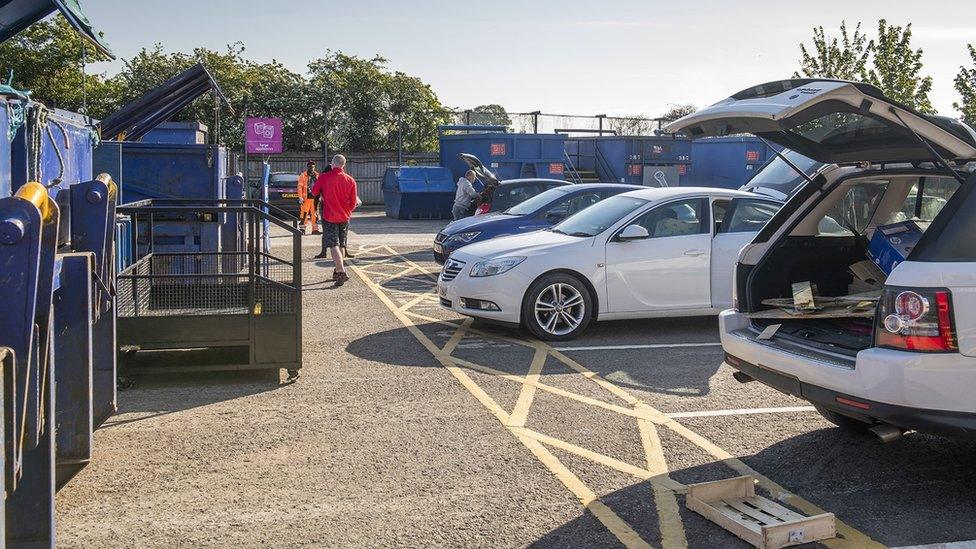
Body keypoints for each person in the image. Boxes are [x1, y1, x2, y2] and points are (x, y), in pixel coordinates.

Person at [311, 154, 359, 286]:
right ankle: (337, 272)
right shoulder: (350, 180)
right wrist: (347, 210)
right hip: (344, 216)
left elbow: (314, 192)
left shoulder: (324, 177)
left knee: (333, 245)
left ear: (332, 164)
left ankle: (342, 271)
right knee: (341, 244)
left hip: (330, 216)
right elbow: (354, 202)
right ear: (344, 165)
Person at [297, 161, 320, 235]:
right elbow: (300, 187)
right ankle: (302, 229)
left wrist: (320, 196)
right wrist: (300, 197)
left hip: (315, 199)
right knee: (304, 214)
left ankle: (315, 230)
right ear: (307, 167)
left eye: (313, 167)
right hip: (306, 198)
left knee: (315, 214)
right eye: (310, 167)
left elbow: (319, 186)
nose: (311, 168)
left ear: (314, 167)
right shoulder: (303, 175)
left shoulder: (317, 175)